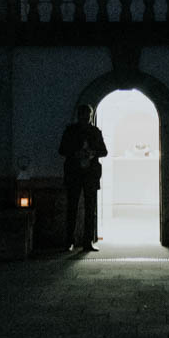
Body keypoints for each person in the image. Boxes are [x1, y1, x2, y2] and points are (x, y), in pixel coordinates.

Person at [58, 103, 108, 251]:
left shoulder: (94, 132)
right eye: (83, 116)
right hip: (75, 173)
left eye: (88, 116)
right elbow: (62, 150)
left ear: (90, 117)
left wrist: (92, 153)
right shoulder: (71, 131)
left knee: (89, 208)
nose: (86, 119)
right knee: (73, 208)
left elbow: (104, 151)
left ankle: (86, 242)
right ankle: (71, 241)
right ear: (79, 116)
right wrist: (76, 153)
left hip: (89, 174)